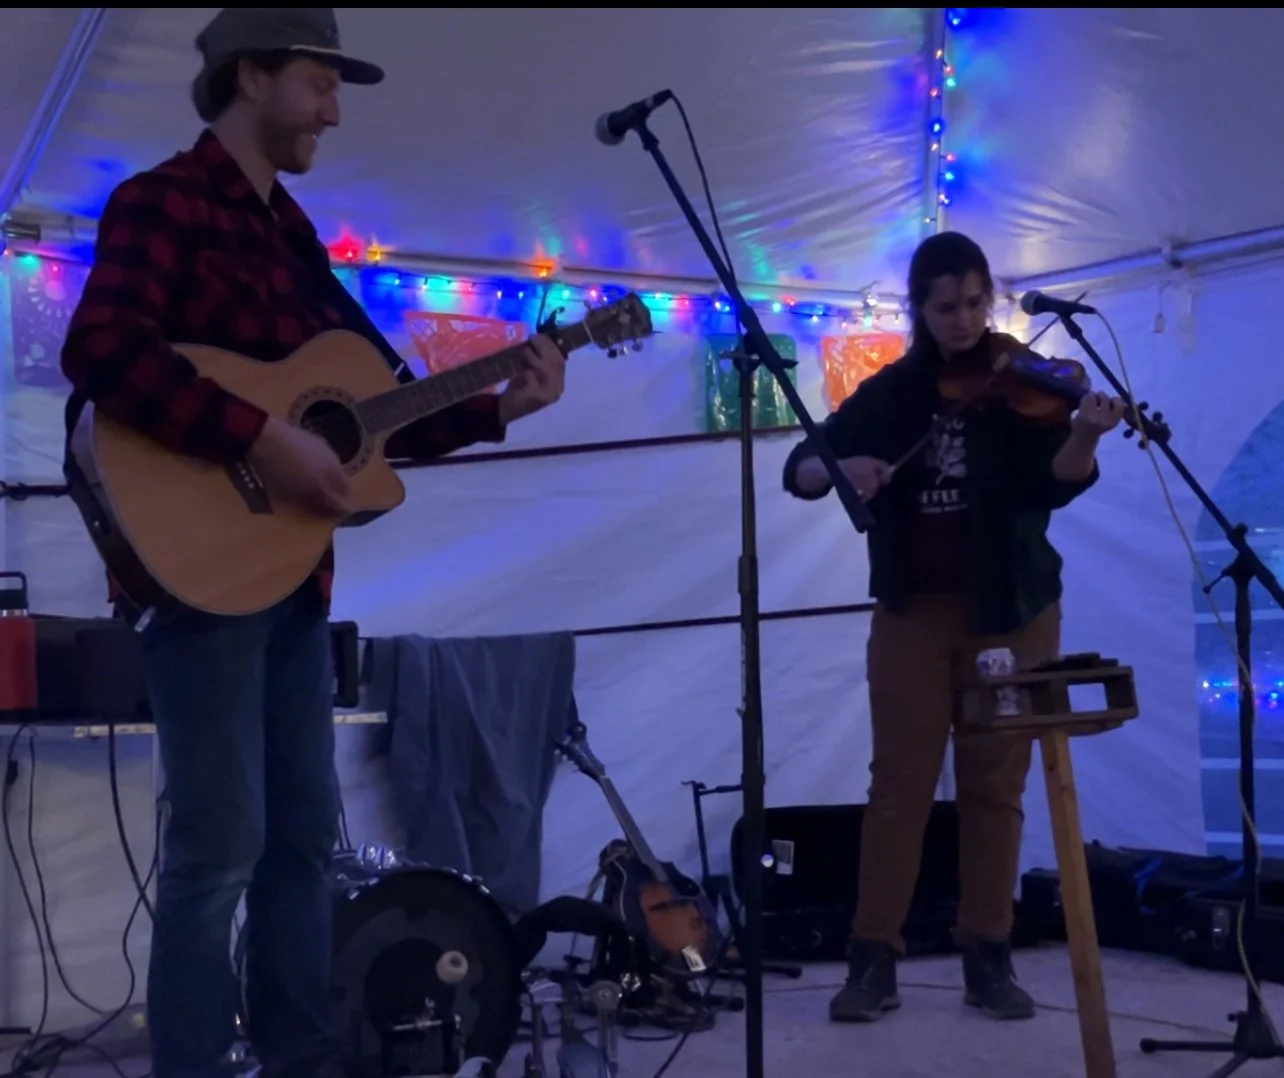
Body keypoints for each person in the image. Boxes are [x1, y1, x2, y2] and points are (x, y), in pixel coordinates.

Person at [58, 10, 567, 1078]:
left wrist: (503, 402)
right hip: (195, 579)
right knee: (216, 851)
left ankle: (295, 1060)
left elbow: (373, 409)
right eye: (319, 82)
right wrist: (256, 436)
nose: (335, 110)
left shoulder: (294, 240)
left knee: (298, 847)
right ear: (250, 75)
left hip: (291, 580)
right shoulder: (160, 203)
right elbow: (102, 346)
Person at [781, 231, 1125, 1024]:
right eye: (946, 307)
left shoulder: (1025, 379)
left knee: (994, 785)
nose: (965, 320)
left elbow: (1060, 484)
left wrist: (1084, 432)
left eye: (975, 302)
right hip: (914, 609)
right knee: (898, 785)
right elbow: (804, 462)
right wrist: (839, 472)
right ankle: (874, 960)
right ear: (921, 310)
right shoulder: (893, 392)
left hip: (1011, 607)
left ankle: (988, 954)